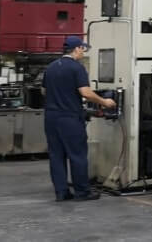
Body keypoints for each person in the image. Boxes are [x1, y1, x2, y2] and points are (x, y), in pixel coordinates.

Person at [43, 35, 116, 202]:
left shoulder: (51, 67)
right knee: (77, 155)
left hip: (51, 118)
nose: (83, 52)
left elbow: (44, 91)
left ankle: (61, 192)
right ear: (76, 49)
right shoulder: (77, 68)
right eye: (82, 49)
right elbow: (85, 92)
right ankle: (82, 192)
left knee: (56, 156)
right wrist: (105, 102)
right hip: (69, 117)